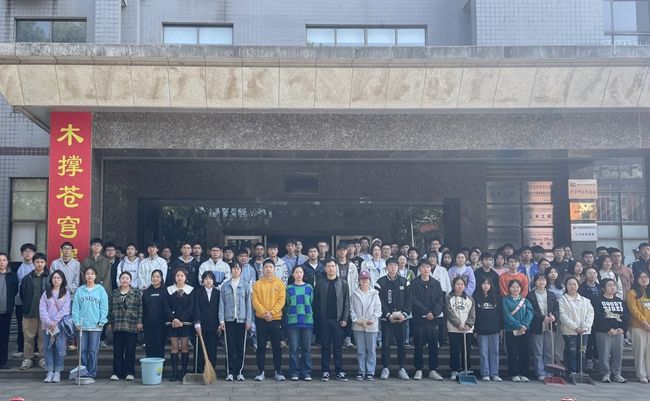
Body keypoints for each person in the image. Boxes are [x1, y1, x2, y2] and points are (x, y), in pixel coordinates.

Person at [314, 259, 350, 382]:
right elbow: (316, 302)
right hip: (324, 320)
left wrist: (345, 318)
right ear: (325, 269)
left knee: (338, 347)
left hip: (338, 320)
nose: (331, 268)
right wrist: (319, 318)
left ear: (336, 268)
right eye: (328, 266)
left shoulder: (343, 283)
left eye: (333, 266)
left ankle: (339, 371)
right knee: (325, 346)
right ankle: (325, 371)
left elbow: (346, 303)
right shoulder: (320, 283)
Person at [409, 260, 445, 381]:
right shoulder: (414, 283)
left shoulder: (436, 283)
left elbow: (440, 300)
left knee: (433, 345)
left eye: (428, 267)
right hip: (419, 319)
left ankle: (432, 370)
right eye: (423, 267)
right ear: (419, 269)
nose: (426, 269)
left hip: (433, 319)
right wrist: (425, 312)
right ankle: (418, 369)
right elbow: (413, 300)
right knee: (418, 344)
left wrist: (434, 313)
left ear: (431, 269)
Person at [376, 257, 411, 380]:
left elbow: (409, 299)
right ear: (386, 267)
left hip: (402, 318)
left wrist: (404, 314)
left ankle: (402, 368)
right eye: (390, 265)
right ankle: (385, 368)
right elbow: (379, 301)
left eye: (395, 265)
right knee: (386, 344)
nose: (393, 267)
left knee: (402, 345)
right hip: (387, 319)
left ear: (398, 267)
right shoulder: (380, 282)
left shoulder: (405, 282)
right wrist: (388, 314)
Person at [72, 266, 109, 382]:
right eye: (88, 273)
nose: (90, 276)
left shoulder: (100, 290)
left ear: (95, 276)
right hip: (82, 325)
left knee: (92, 350)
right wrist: (76, 322)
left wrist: (102, 321)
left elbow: (104, 307)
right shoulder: (80, 290)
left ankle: (91, 373)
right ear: (84, 276)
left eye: (92, 274)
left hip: (95, 326)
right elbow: (75, 308)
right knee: (82, 350)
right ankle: (83, 372)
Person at [252, 259, 286, 381]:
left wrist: (272, 313)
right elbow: (255, 301)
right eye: (266, 267)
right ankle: (260, 371)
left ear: (274, 269)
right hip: (261, 319)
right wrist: (264, 313)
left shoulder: (280, 284)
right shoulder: (257, 284)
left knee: (276, 346)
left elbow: (281, 301)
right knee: (261, 346)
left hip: (275, 318)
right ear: (262, 269)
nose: (268, 269)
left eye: (270, 267)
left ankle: (278, 371)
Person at [219, 262, 253, 381]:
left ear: (241, 271)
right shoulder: (225, 286)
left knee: (240, 346)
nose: (235, 270)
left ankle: (239, 371)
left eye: (238, 269)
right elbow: (221, 304)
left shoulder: (245, 285)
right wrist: (221, 320)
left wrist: (249, 320)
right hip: (228, 320)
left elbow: (248, 304)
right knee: (230, 346)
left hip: (241, 320)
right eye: (233, 268)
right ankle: (230, 372)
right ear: (231, 270)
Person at [108, 271, 142, 381]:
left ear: (130, 280)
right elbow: (110, 308)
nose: (125, 280)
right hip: (117, 324)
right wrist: (110, 322)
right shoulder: (114, 293)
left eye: (127, 278)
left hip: (131, 324)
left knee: (130, 350)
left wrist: (140, 322)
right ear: (119, 280)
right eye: (123, 278)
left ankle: (129, 372)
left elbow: (140, 309)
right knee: (117, 350)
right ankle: (117, 372)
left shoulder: (136, 293)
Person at [558, 276, 594, 380]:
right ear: (566, 286)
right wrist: (574, 327)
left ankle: (580, 371)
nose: (572, 286)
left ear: (578, 286)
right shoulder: (562, 300)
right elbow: (562, 315)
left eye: (574, 284)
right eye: (570, 284)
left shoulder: (585, 301)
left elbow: (590, 315)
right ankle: (572, 371)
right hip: (570, 330)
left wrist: (586, 327)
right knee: (571, 352)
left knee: (582, 352)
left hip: (584, 331)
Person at [593, 278, 627, 383]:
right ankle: (605, 373)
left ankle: (617, 374)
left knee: (618, 354)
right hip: (603, 332)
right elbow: (598, 316)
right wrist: (607, 329)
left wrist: (623, 329)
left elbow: (625, 316)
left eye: (614, 285)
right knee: (604, 354)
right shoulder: (598, 300)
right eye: (609, 285)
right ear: (603, 288)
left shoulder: (619, 301)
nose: (612, 287)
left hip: (618, 332)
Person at [39, 270, 70, 383]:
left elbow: (65, 310)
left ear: (62, 280)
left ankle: (57, 372)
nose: (56, 280)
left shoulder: (65, 293)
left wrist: (55, 321)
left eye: (58, 278)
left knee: (59, 349)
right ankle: (49, 372)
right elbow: (42, 309)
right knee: (48, 349)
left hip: (59, 326)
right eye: (54, 278)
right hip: (47, 326)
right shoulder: (46, 293)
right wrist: (49, 322)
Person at [19, 252, 49, 370]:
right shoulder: (27, 278)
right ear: (33, 263)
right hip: (29, 312)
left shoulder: (49, 278)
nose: (39, 264)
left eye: (42, 262)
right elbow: (22, 294)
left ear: (45, 263)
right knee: (28, 337)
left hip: (45, 314)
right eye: (37, 262)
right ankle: (27, 358)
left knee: (43, 337)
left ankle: (43, 358)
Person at [164, 268, 194, 382]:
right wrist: (173, 319)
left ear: (185, 277)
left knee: (185, 347)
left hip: (185, 323)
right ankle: (174, 372)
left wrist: (181, 319)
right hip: (173, 323)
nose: (179, 278)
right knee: (174, 346)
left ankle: (183, 372)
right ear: (174, 277)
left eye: (182, 275)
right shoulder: (169, 290)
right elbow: (166, 306)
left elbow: (190, 307)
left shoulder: (190, 290)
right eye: (177, 275)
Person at [526, 273, 559, 381]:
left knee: (549, 351)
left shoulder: (551, 294)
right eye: (539, 280)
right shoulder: (530, 295)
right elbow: (531, 310)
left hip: (550, 325)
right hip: (537, 326)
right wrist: (542, 318)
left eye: (544, 280)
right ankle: (540, 372)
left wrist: (554, 316)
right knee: (538, 351)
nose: (542, 282)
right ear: (535, 282)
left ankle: (548, 372)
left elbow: (556, 309)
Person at [350, 270, 381, 381]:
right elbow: (351, 309)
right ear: (359, 281)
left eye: (366, 279)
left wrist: (372, 319)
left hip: (371, 326)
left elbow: (378, 309)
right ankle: (361, 371)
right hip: (358, 326)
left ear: (370, 280)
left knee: (371, 350)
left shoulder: (375, 293)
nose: (364, 281)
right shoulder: (354, 294)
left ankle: (370, 372)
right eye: (362, 279)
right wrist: (356, 320)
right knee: (360, 350)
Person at [285, 265, 314, 381]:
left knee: (306, 348)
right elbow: (287, 304)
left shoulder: (309, 287)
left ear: (303, 274)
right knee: (294, 349)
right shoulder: (289, 288)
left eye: (300, 272)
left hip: (307, 321)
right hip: (293, 321)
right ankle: (294, 372)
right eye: (296, 272)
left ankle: (306, 372)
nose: (298, 274)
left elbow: (312, 302)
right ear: (293, 274)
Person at [502, 279, 534, 382]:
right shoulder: (505, 300)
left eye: (517, 287)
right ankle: (514, 373)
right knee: (512, 352)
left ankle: (524, 373)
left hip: (524, 330)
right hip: (511, 330)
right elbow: (506, 315)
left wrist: (525, 325)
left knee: (524, 352)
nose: (515, 289)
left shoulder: (525, 301)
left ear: (521, 288)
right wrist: (518, 325)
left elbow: (530, 313)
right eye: (513, 287)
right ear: (509, 288)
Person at [473, 277, 502, 382]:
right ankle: (485, 373)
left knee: (495, 352)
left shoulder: (496, 298)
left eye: (488, 284)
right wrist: (475, 329)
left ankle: (494, 373)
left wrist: (501, 328)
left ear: (491, 285)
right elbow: (474, 315)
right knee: (483, 352)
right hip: (481, 330)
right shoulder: (476, 298)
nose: (486, 286)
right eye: (484, 284)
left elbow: (500, 315)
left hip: (494, 329)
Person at [446, 277, 475, 381]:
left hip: (467, 330)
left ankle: (466, 369)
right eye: (457, 284)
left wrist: (468, 324)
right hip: (454, 328)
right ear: (453, 285)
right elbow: (449, 312)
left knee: (466, 350)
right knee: (454, 350)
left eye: (462, 284)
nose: (460, 286)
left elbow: (472, 313)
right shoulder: (449, 297)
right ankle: (454, 370)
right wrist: (458, 324)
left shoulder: (470, 298)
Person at [193, 271, 220, 375]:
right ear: (203, 281)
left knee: (212, 349)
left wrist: (219, 323)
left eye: (210, 279)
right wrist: (197, 323)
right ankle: (200, 370)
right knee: (200, 349)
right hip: (201, 325)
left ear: (213, 281)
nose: (208, 281)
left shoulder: (217, 293)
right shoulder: (198, 292)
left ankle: (211, 371)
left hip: (214, 325)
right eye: (206, 279)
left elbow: (220, 309)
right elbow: (196, 308)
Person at [626, 269, 650, 383]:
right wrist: (644, 322)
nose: (644, 279)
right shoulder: (632, 292)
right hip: (638, 326)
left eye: (646, 277)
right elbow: (633, 310)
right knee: (640, 351)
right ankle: (642, 374)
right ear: (636, 279)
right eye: (641, 277)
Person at [13, 243, 36, 359]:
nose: (28, 253)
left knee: (34, 326)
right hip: (19, 302)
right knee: (21, 325)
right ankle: (20, 349)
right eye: (25, 251)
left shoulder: (37, 266)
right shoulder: (17, 267)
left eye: (30, 251)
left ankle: (35, 350)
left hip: (33, 302)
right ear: (22, 253)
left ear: (34, 254)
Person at [142, 269, 167, 358]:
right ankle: (150, 364)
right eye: (153, 277)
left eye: (157, 277)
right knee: (149, 346)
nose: (155, 279)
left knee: (159, 345)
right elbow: (143, 307)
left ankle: (159, 366)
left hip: (161, 323)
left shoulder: (165, 291)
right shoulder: (146, 291)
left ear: (161, 278)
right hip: (148, 323)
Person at [0, 253, 18, 369]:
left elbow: (14, 291)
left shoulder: (12, 275)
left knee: (4, 337)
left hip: (6, 311)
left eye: (4, 260)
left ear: (7, 262)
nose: (1, 262)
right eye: (0, 260)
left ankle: (2, 362)